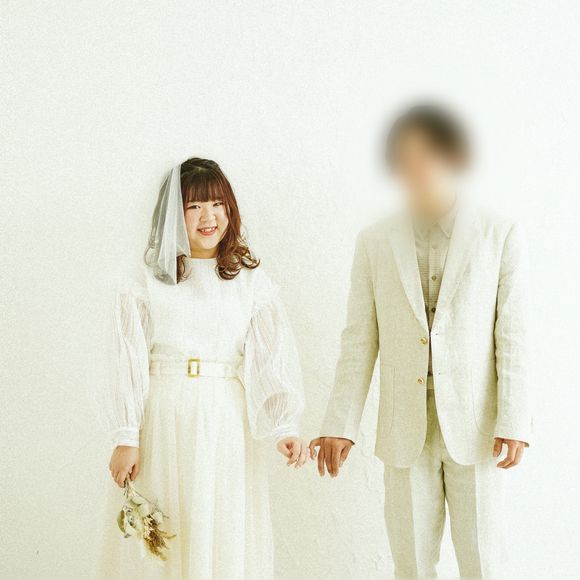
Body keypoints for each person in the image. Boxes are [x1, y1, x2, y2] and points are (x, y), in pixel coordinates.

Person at [310, 105, 531, 578]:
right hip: (404, 428)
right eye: (406, 157)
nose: (418, 167)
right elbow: (358, 338)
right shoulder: (374, 240)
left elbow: (512, 335)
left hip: (477, 426)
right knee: (410, 565)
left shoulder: (498, 234)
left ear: (454, 155)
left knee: (484, 563)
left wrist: (514, 419)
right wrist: (340, 423)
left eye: (430, 154)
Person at [101, 158, 307, 580]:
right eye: (194, 206)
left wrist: (283, 426)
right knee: (165, 525)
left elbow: (269, 357)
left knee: (219, 525)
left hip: (225, 420)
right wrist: (126, 435)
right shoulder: (145, 281)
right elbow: (127, 359)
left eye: (217, 204)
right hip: (163, 417)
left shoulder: (249, 282)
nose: (208, 217)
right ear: (173, 216)